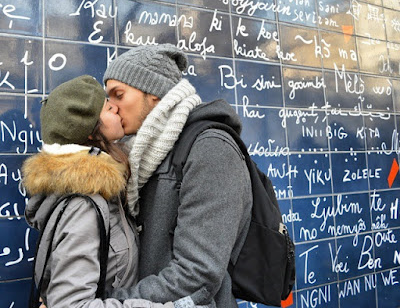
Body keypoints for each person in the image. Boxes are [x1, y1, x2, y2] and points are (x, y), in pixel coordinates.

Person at [22, 75, 192, 308]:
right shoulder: (84, 206)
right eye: (107, 106)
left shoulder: (105, 189)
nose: (116, 107)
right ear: (90, 131)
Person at [103, 44, 253, 307]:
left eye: (118, 95)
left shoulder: (210, 148)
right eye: (108, 98)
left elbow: (198, 274)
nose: (111, 108)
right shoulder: (143, 153)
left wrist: (104, 303)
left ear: (156, 95)